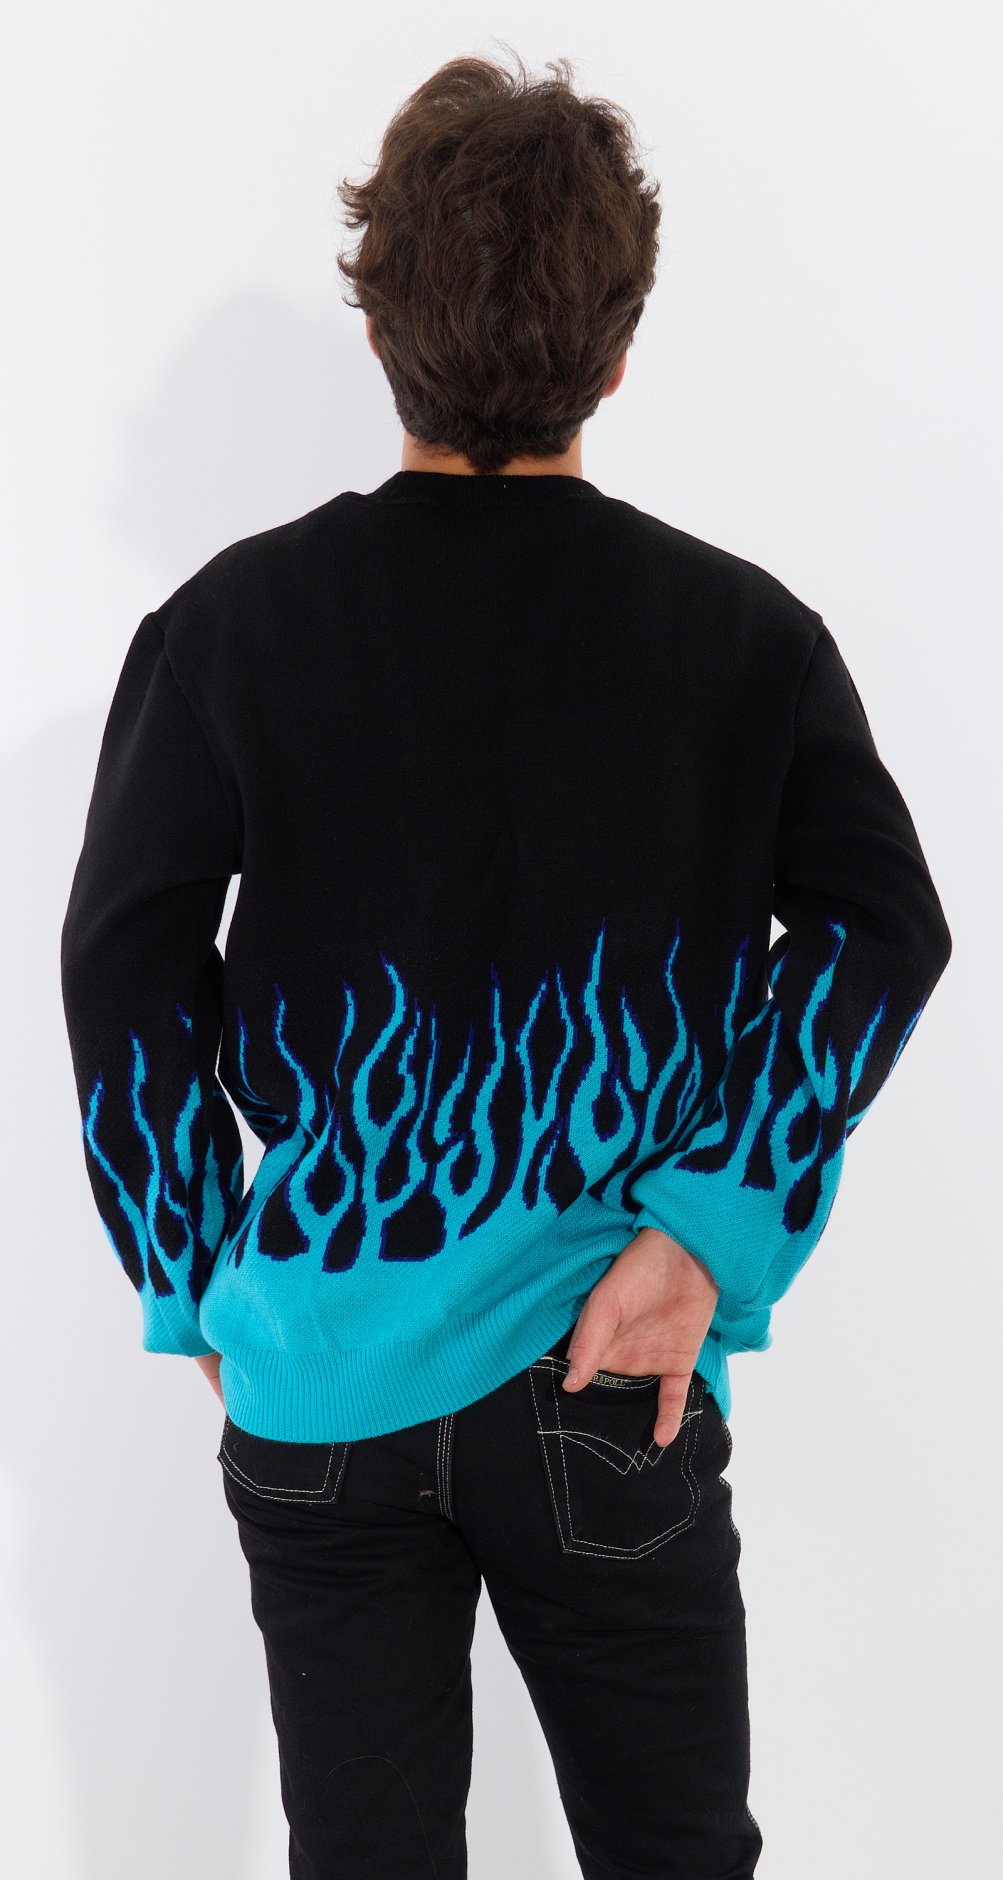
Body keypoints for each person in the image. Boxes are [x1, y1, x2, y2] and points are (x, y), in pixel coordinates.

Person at [59, 47, 952, 1880]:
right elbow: (885, 927)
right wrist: (703, 1236)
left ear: (377, 324)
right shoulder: (746, 639)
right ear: (618, 352)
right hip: (610, 1370)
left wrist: (195, 1281)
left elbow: (119, 964)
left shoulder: (227, 629)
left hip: (324, 1366)